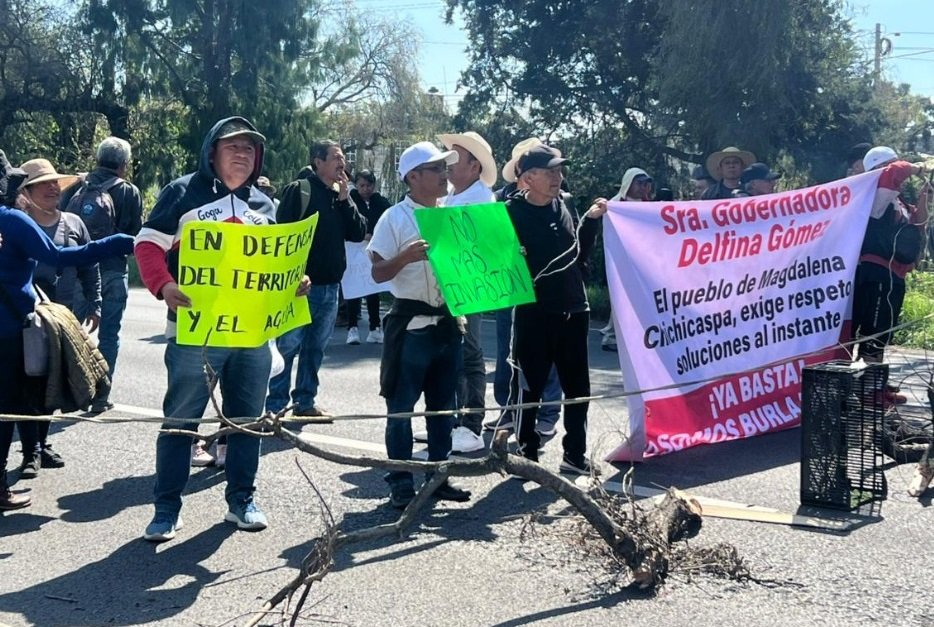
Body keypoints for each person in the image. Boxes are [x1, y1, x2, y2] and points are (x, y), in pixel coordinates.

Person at [134, 117, 310, 541]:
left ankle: (242, 500)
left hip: (251, 335)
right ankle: (166, 507)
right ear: (212, 151)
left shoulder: (264, 206)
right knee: (182, 420)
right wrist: (164, 284)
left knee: (248, 421)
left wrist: (293, 284)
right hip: (195, 334)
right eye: (232, 146)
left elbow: (270, 268)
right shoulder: (182, 193)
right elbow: (146, 244)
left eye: (250, 148)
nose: (242, 154)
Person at [0, 149, 134, 511]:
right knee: (10, 408)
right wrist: (117, 243)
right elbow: (59, 257)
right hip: (11, 332)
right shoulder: (11, 220)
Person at [367, 141, 472, 508]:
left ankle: (439, 476)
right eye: (437, 170)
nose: (446, 176)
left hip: (448, 323)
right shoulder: (393, 218)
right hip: (410, 325)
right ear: (413, 177)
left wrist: (504, 256)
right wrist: (405, 257)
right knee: (401, 408)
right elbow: (377, 272)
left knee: (443, 407)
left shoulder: (455, 214)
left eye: (446, 168)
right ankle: (399, 480)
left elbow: (475, 262)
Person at [505, 144, 605, 475]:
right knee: (528, 384)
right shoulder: (508, 213)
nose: (557, 178)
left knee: (578, 388)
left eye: (559, 171)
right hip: (534, 311)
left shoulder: (566, 203)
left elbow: (579, 254)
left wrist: (590, 223)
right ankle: (526, 451)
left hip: (574, 307)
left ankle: (574, 454)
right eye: (549, 172)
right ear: (527, 179)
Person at [266, 140, 367, 418]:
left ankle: (305, 402)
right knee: (287, 347)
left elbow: (358, 233)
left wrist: (347, 198)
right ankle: (274, 407)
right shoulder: (299, 191)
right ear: (318, 161)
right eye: (336, 157)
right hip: (299, 287)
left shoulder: (341, 195)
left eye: (343, 158)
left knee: (315, 348)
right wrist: (292, 276)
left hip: (331, 287)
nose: (342, 163)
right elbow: (281, 238)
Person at [15, 158, 99, 476]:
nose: (53, 188)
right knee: (27, 383)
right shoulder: (15, 224)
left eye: (55, 183)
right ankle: (30, 450)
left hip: (63, 317)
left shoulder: (74, 223)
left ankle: (43, 443)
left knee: (53, 381)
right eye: (43, 184)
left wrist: (96, 303)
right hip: (24, 319)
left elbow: (90, 268)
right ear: (27, 191)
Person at [61, 136, 144, 415]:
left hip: (78, 269)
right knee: (109, 334)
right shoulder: (128, 192)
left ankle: (73, 390)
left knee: (75, 333)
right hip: (112, 269)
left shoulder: (76, 186)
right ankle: (101, 395)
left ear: (97, 159)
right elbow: (134, 233)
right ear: (123, 164)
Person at [485, 137, 562, 437]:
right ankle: (508, 410)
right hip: (511, 290)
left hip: (545, 292)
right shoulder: (503, 202)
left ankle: (547, 411)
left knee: (548, 356)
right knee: (508, 351)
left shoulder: (557, 203)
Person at [433, 131, 497, 454]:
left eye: (455, 159)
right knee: (452, 353)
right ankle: (454, 420)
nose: (448, 165)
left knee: (469, 353)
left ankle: (471, 424)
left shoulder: (482, 199)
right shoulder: (453, 198)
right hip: (449, 286)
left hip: (469, 286)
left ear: (474, 167)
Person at [852, 146, 929, 405]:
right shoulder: (877, 195)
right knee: (873, 331)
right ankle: (867, 391)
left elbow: (918, 224)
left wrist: (923, 197)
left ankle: (875, 385)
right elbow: (895, 171)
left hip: (894, 274)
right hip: (876, 271)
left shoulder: (898, 201)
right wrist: (920, 168)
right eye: (892, 163)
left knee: (883, 331)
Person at [346, 169, 391, 345]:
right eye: (362, 185)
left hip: (374, 249)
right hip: (354, 249)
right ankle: (352, 328)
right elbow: (347, 223)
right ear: (356, 185)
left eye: (369, 185)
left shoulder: (380, 202)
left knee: (373, 289)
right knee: (354, 289)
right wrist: (363, 235)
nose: (365, 189)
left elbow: (388, 220)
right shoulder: (350, 200)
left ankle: (375, 328)